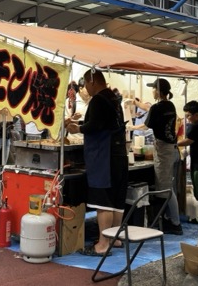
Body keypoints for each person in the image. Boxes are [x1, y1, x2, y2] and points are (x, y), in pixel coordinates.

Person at [65, 69, 128, 256]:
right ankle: (115, 238)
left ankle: (102, 244)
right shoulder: (114, 99)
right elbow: (103, 123)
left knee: (104, 202)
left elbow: (95, 126)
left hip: (104, 156)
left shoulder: (99, 99)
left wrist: (78, 128)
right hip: (118, 155)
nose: (85, 88)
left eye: (85, 84)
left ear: (93, 81)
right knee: (117, 201)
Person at [127, 78, 182, 235]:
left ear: (158, 91)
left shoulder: (157, 107)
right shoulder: (170, 105)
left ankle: (175, 223)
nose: (152, 91)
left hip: (163, 149)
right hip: (172, 147)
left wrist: (131, 126)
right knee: (168, 187)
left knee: (165, 188)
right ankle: (170, 219)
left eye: (153, 88)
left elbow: (146, 126)